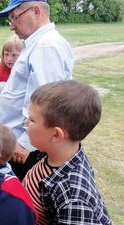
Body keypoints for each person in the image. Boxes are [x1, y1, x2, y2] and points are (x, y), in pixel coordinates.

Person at [0, 0, 74, 180]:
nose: (11, 26)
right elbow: (20, 90)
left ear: (35, 11)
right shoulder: (36, 44)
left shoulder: (45, 47)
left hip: (26, 149)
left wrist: (25, 144)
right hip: (20, 143)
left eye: (14, 18)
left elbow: (47, 104)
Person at [22, 80, 112, 225]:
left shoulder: (73, 199)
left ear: (56, 135)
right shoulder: (53, 153)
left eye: (31, 119)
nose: (25, 123)